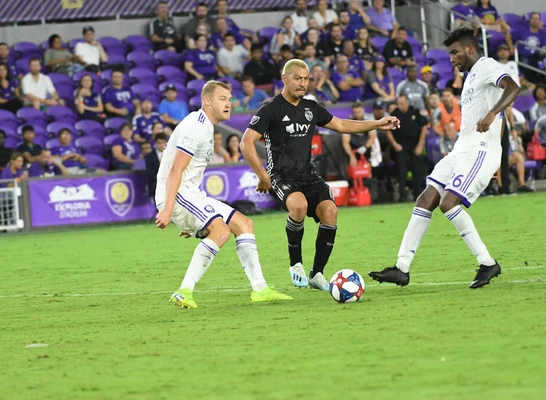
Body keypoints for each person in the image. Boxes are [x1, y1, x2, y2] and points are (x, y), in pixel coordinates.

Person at [369, 27, 520, 289]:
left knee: (448, 203)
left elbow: (513, 88)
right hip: (462, 150)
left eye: (455, 52)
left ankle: (487, 262)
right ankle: (401, 268)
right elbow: (500, 116)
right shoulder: (471, 77)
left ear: (470, 49)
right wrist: (494, 123)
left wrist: (492, 120)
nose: (452, 58)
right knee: (426, 198)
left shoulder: (486, 66)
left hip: (480, 150)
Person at [240, 59, 399, 290]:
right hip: (281, 175)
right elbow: (246, 143)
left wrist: (377, 124)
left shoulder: (311, 108)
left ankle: (317, 274)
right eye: (297, 78)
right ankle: (296, 265)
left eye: (306, 79)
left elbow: (342, 125)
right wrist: (263, 176)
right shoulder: (270, 108)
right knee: (299, 206)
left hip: (308, 174)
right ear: (284, 79)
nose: (302, 83)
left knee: (330, 211)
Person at [155, 80, 292, 308]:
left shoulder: (206, 126)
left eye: (229, 99)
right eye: (222, 99)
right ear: (207, 101)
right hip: (177, 193)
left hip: (189, 195)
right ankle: (184, 291)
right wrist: (169, 209)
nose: (228, 104)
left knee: (244, 224)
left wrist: (191, 219)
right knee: (220, 231)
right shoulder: (196, 125)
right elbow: (175, 170)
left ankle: (260, 289)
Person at [387, 95, 428, 201]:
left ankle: (418, 194)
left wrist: (420, 145)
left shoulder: (415, 112)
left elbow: (424, 126)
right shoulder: (394, 114)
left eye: (402, 103)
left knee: (417, 170)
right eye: (398, 103)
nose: (399, 106)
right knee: (401, 170)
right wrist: (395, 144)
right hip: (401, 146)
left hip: (415, 145)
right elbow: (387, 129)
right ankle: (402, 195)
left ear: (407, 102)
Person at [145, 133, 167, 198]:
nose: (161, 145)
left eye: (163, 142)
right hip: (156, 187)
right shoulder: (149, 156)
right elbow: (150, 173)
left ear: (166, 142)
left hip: (171, 185)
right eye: (158, 143)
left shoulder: (172, 155)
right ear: (155, 143)